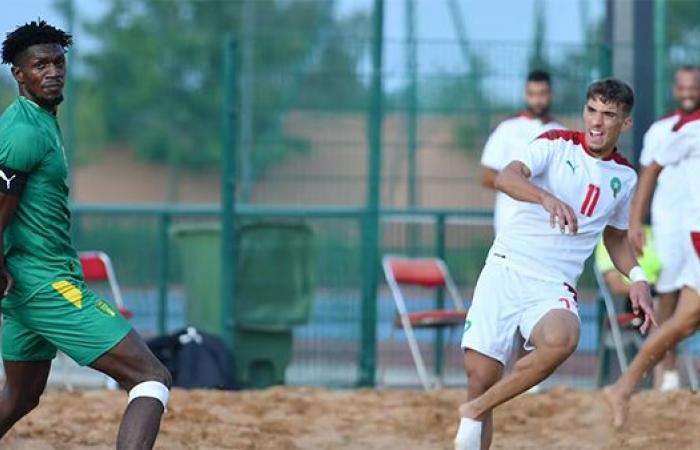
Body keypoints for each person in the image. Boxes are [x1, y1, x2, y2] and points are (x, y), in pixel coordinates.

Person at [454, 79, 655, 450]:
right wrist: (546, 199)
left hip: (553, 284)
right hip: (506, 266)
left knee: (563, 338)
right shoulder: (554, 143)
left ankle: (476, 408)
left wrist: (638, 277)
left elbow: (615, 237)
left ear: (624, 123)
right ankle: (478, 403)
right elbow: (505, 176)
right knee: (480, 376)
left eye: (609, 115)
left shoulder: (624, 177)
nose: (597, 121)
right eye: (592, 110)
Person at [0, 21, 171, 449]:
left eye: (58, 62)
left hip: (29, 283)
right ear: (19, 75)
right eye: (40, 65)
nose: (53, 71)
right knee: (151, 376)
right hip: (44, 284)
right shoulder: (22, 129)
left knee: (20, 397)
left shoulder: (39, 121)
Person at [604, 76, 700, 429]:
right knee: (678, 314)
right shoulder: (687, 130)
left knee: (684, 320)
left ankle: (623, 388)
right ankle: (640, 382)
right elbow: (652, 168)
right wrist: (635, 223)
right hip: (691, 234)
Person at [628, 66, 700, 390]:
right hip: (672, 226)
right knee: (668, 296)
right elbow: (649, 171)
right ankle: (665, 373)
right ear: (674, 89)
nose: (688, 92)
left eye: (694, 87)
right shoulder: (668, 130)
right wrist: (635, 221)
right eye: (682, 86)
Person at [480, 70, 564, 234]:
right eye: (532, 94)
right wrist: (519, 185)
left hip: (547, 226)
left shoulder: (561, 133)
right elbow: (486, 176)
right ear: (526, 95)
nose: (537, 100)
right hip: (510, 223)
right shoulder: (507, 128)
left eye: (542, 94)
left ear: (551, 95)